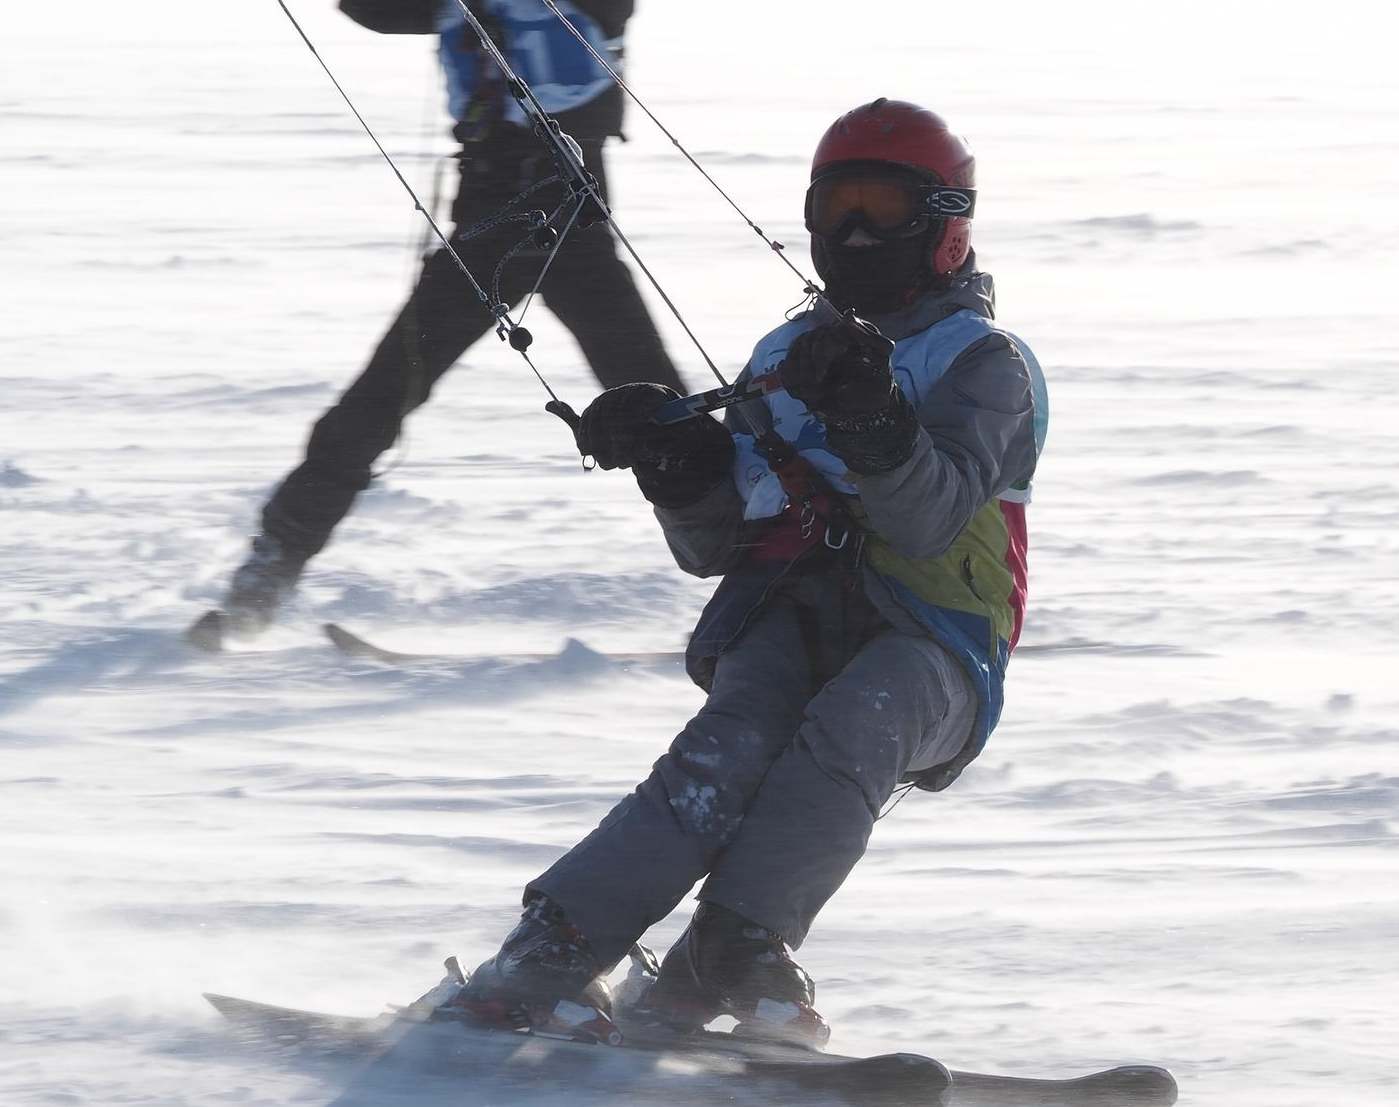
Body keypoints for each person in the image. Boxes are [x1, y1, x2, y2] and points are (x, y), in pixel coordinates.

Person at [445, 99, 1044, 1047]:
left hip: (935, 639)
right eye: (833, 208)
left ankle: (737, 947)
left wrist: (873, 419)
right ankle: (550, 951)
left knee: (853, 726)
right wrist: (677, 467)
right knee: (727, 747)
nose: (852, 233)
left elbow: (929, 521)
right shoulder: (784, 353)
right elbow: (716, 548)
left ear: (943, 221)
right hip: (792, 610)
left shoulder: (986, 363)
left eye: (880, 211)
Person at [205, 0, 684, 639]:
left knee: (663, 410)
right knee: (376, 400)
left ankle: (780, 564)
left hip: (568, 204)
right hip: (490, 209)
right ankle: (269, 572)